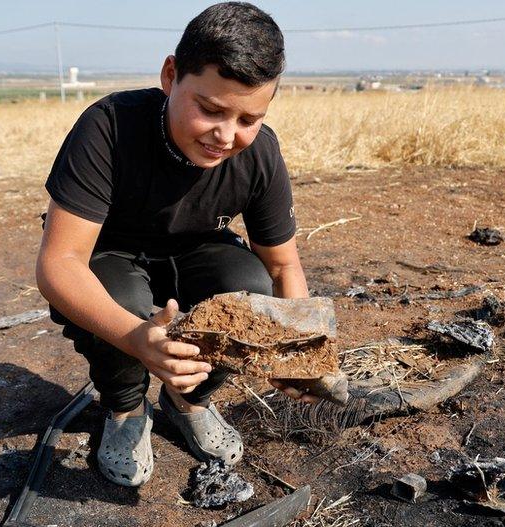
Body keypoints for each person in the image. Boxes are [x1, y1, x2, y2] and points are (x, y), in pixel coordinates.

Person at [35, 2, 316, 488]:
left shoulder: (260, 153)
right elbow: (59, 263)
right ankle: (124, 409)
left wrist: (301, 354)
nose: (226, 136)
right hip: (112, 254)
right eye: (209, 109)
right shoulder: (109, 127)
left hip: (198, 252)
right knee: (118, 304)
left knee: (250, 289)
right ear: (170, 75)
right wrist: (133, 337)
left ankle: (190, 400)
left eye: (249, 118)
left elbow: (283, 267)